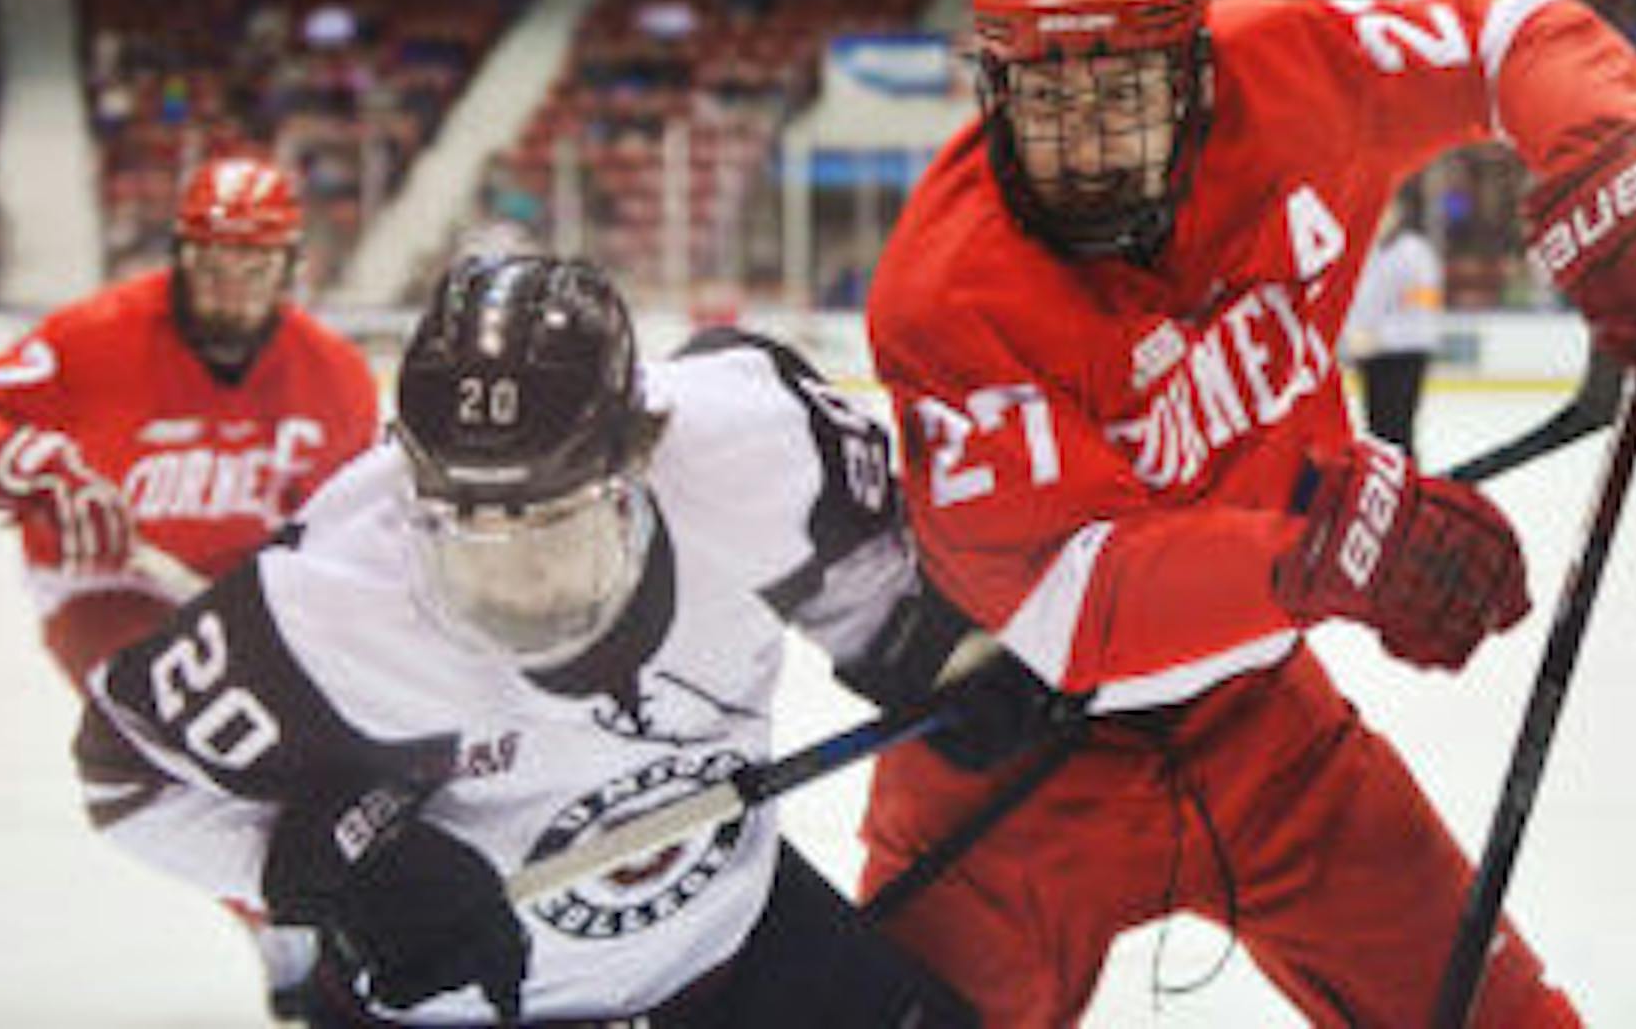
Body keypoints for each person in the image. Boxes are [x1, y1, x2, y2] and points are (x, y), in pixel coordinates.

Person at [857, 0, 1636, 1027]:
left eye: (1122, 95)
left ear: (1192, 78)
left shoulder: (1281, 67)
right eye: (1050, 100)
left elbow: (1508, 37)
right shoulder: (944, 287)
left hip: (1262, 722)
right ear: (995, 95)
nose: (1087, 141)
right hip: (1006, 761)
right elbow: (1064, 599)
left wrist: (1611, 157)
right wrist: (1322, 554)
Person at [72, 253, 980, 1029]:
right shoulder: (328, 595)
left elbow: (865, 578)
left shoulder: (755, 437)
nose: (515, 590)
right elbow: (127, 772)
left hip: (727, 945)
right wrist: (350, 871)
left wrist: (925, 654)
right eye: (470, 535)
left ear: (638, 459)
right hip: (464, 1004)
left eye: (552, 529)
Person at [0, 150, 381, 1015]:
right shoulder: (94, 337)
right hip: (103, 585)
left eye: (254, 265)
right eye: (211, 262)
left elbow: (347, 535)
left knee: (348, 734)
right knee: (199, 735)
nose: (230, 286)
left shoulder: (335, 376)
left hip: (248, 593)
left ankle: (345, 901)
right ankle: (279, 921)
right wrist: (17, 461)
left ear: (290, 266)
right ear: (180, 254)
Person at [1342, 187, 1444, 459]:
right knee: (1376, 434)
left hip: (1405, 354)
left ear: (1397, 212)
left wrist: (1379, 337)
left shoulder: (1415, 253)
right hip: (1371, 355)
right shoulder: (1368, 251)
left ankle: (1408, 494)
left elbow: (1421, 313)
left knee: (1397, 432)